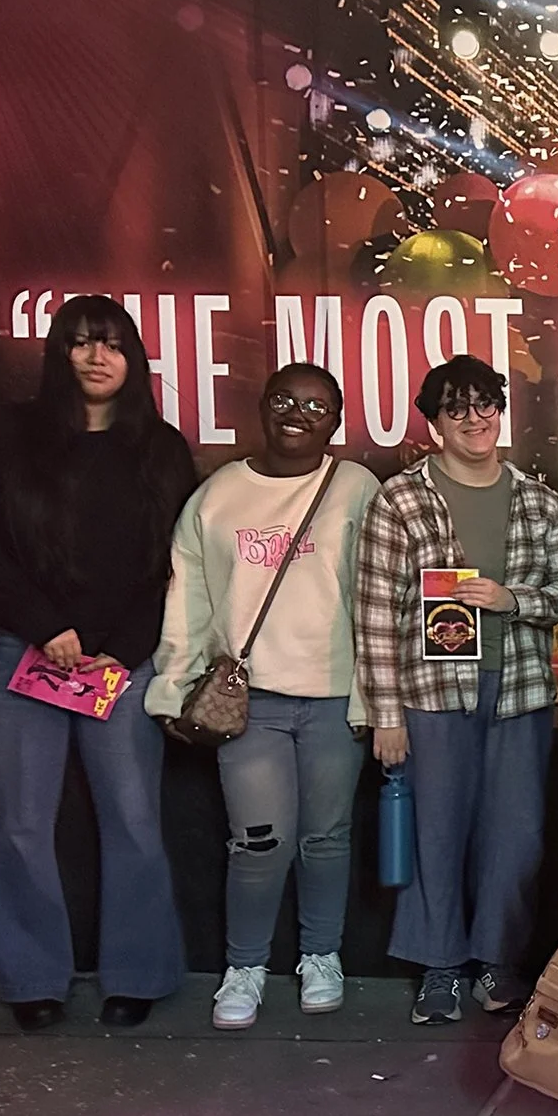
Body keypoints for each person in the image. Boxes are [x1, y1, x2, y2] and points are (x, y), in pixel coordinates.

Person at [0, 295, 197, 1032]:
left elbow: (175, 561)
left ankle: (138, 975)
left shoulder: (160, 447)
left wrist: (118, 647)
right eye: (82, 343)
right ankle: (33, 979)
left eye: (113, 344)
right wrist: (44, 625)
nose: (98, 357)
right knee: (23, 823)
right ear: (58, 353)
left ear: (133, 360)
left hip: (121, 660)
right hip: (21, 655)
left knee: (132, 817)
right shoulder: (12, 434)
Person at [148, 363, 383, 1030]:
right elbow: (187, 600)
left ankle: (321, 954)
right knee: (258, 841)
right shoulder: (219, 495)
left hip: (336, 696)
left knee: (326, 838)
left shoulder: (357, 488)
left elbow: (383, 599)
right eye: (285, 398)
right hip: (251, 702)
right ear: (261, 404)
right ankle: (245, 964)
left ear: (336, 420)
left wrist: (377, 698)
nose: (298, 413)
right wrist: (172, 684)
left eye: (318, 405)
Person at [357, 355, 558, 1026]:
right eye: (458, 407)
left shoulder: (537, 500)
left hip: (519, 691)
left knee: (515, 835)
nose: (475, 418)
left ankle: (497, 960)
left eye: (486, 403)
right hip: (431, 693)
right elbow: (372, 612)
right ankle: (439, 966)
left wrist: (511, 597)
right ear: (434, 421)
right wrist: (385, 712)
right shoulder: (400, 498)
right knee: (436, 830)